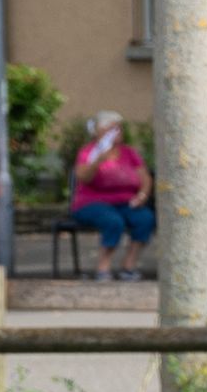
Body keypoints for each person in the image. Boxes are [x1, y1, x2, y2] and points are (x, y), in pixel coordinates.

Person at [65, 114, 152, 277]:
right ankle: (103, 267)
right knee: (113, 221)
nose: (118, 131)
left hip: (126, 202)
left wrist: (142, 195)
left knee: (145, 218)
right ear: (100, 131)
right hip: (91, 203)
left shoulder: (129, 152)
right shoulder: (89, 152)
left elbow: (145, 177)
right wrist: (98, 160)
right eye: (113, 128)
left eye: (119, 128)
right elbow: (83, 177)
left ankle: (129, 265)